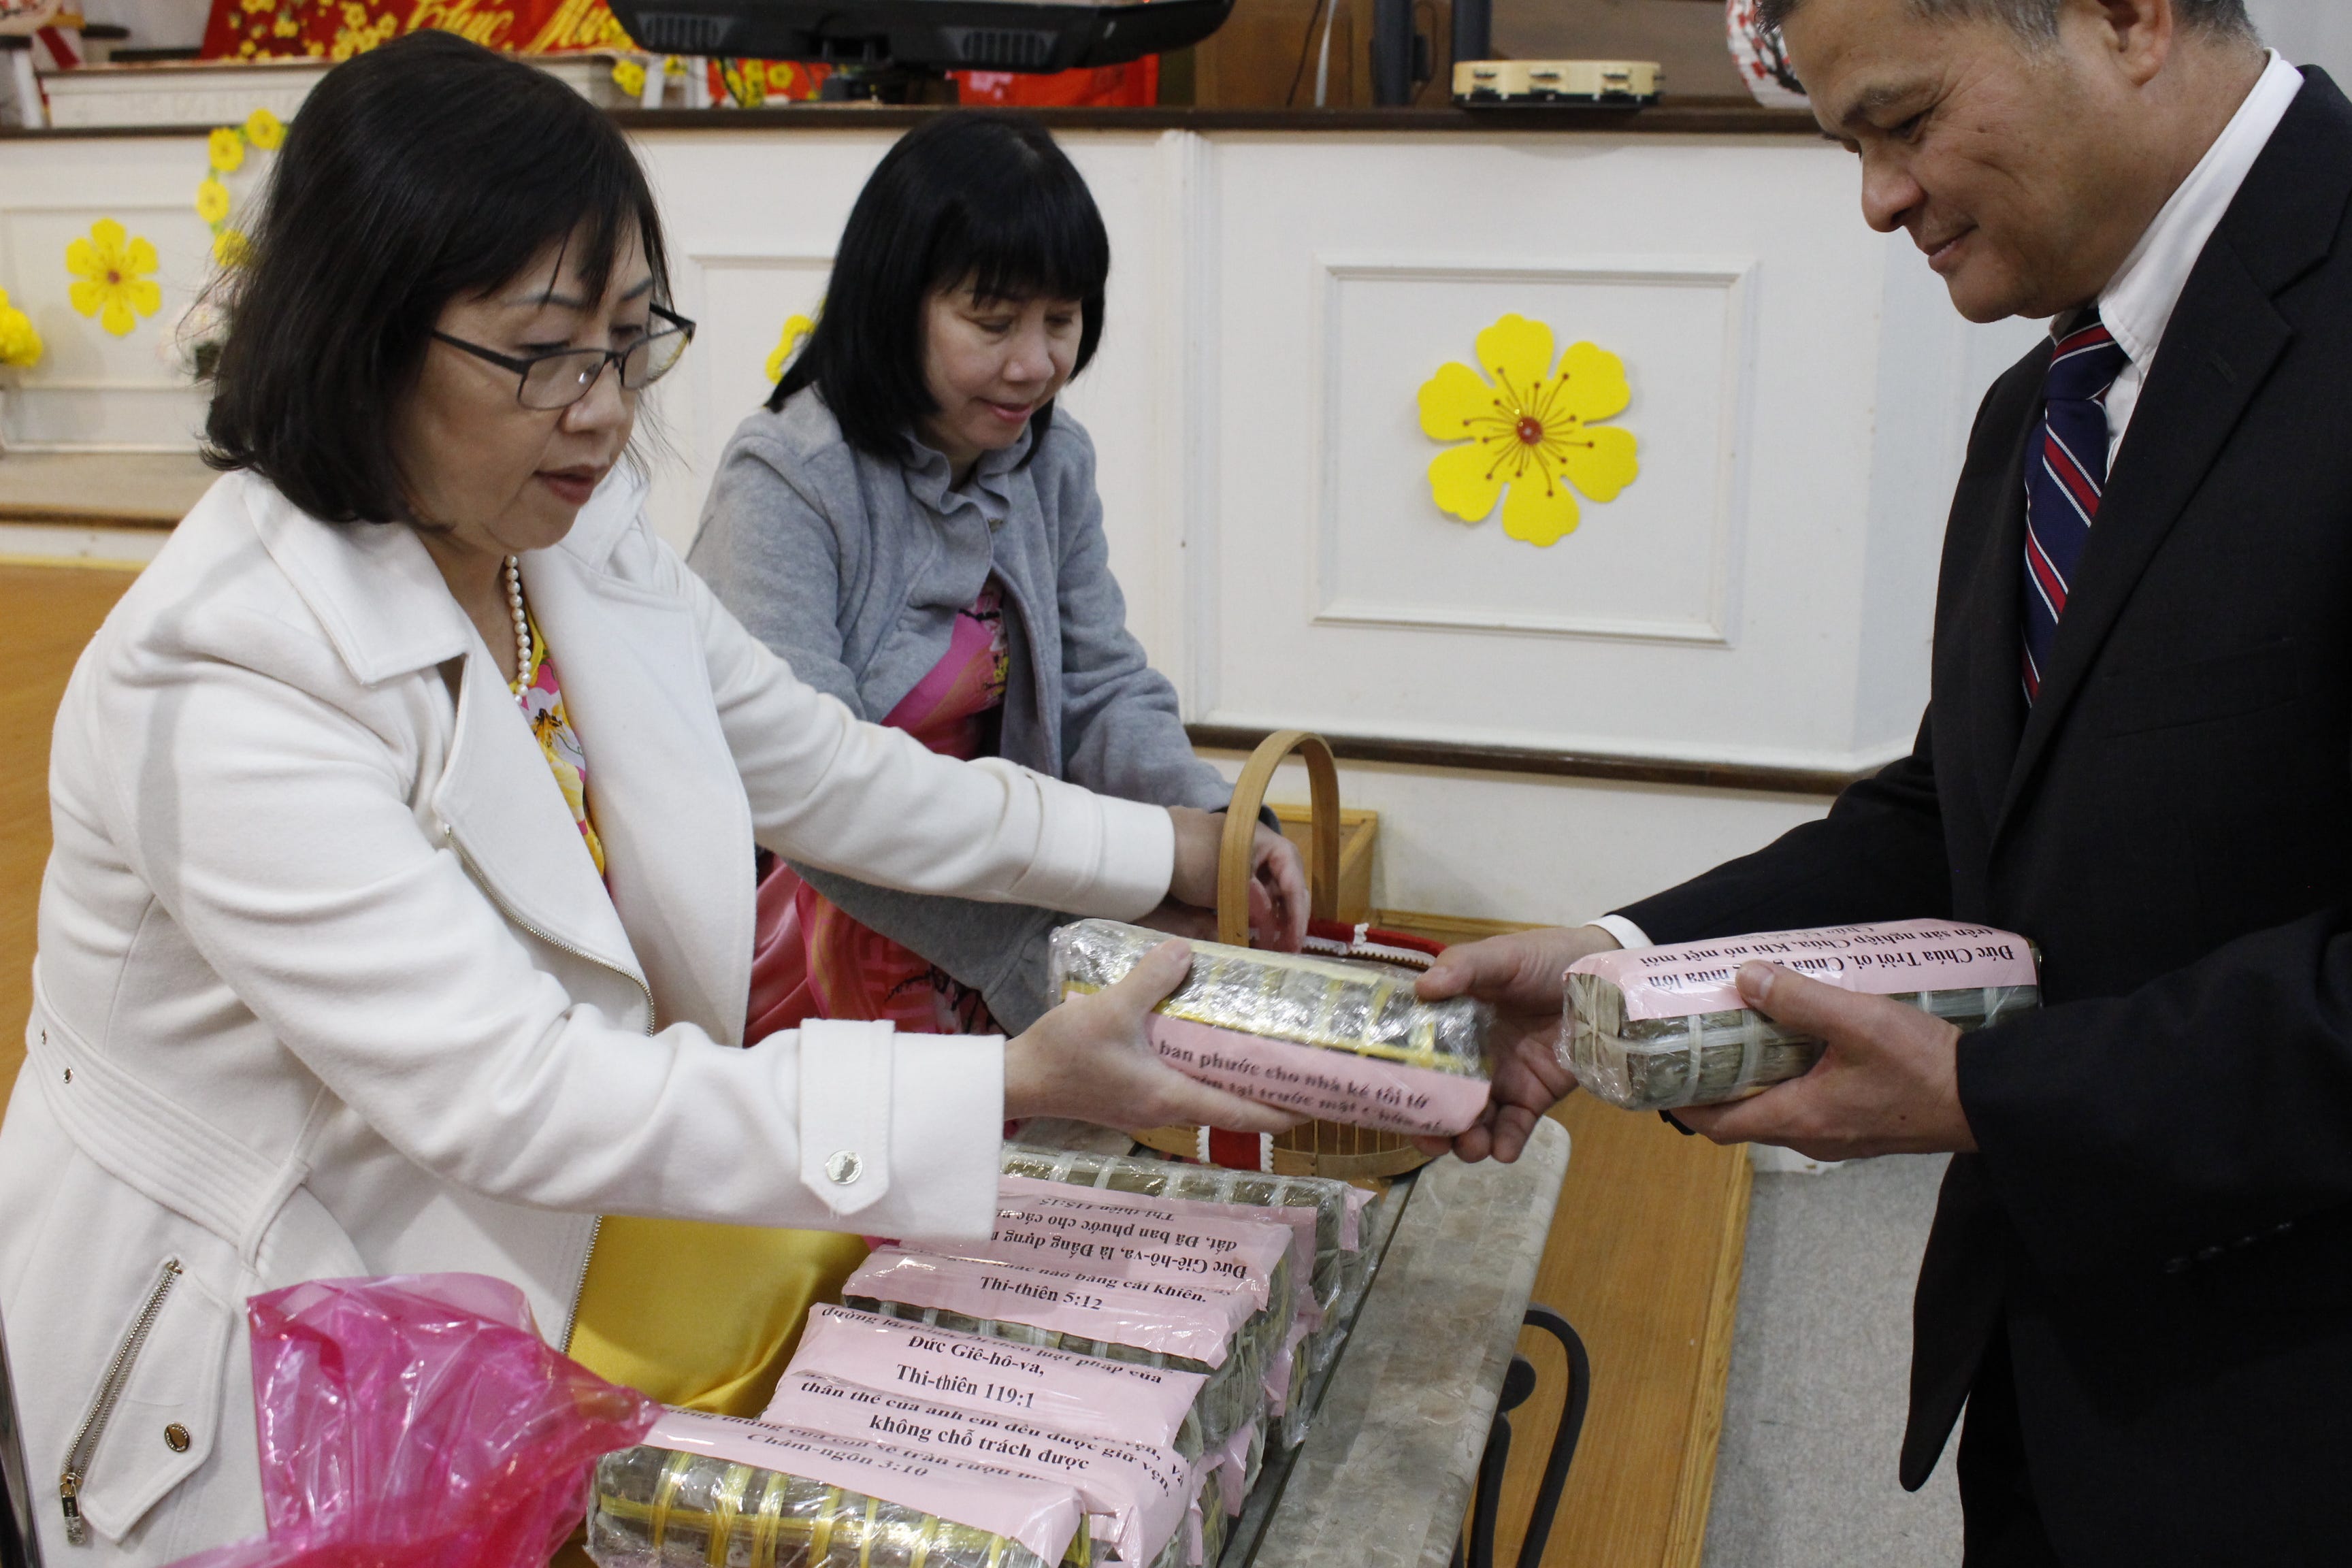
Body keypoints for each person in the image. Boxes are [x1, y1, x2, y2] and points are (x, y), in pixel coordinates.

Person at [0, 34, 1296, 1565]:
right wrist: (1002, 1085)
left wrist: (1165, 846)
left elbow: (822, 769)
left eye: (629, 344)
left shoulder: (560, 539)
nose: (607, 410)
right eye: (546, 352)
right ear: (364, 337)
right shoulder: (231, 672)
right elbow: (519, 1088)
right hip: (266, 1343)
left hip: (522, 1281)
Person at [1421, 1, 2351, 1562]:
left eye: (1907, 123)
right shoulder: (2042, 404)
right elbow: (1964, 818)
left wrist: (1989, 1094)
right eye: (1849, 143)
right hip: (2062, 1396)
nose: (1877, 200)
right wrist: (1626, 962)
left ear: (2128, 18)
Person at [688, 111, 1305, 1051]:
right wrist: (1049, 941)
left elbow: (1099, 688)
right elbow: (814, 799)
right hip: (826, 917)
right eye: (992, 322)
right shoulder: (787, 479)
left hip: (1013, 891)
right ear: (894, 303)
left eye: (1062, 320)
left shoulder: (1050, 459)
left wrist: (1222, 828)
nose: (1035, 364)